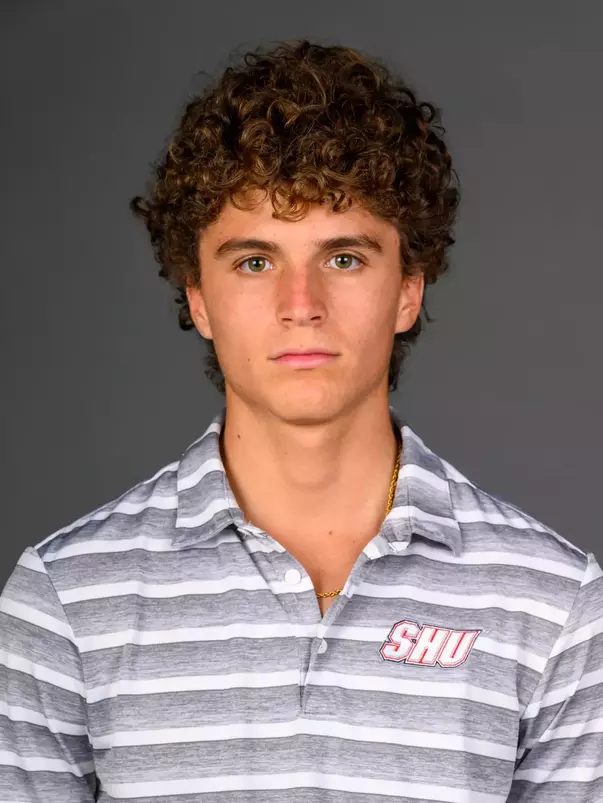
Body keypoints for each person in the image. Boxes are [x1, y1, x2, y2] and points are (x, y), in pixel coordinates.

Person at [1, 39, 601, 803]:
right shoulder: (64, 600)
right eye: (254, 261)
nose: (300, 304)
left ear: (408, 290)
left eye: (344, 258)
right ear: (197, 298)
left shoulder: (552, 605)